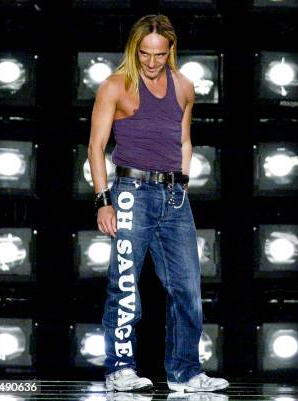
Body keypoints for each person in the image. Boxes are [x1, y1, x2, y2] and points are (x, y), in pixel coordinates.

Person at [88, 14, 229, 393]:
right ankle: (120, 369)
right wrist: (104, 201)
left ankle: (186, 372)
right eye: (145, 53)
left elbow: (184, 139)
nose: (152, 62)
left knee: (187, 287)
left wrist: (182, 181)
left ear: (171, 51)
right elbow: (96, 147)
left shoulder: (183, 85)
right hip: (132, 191)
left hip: (174, 195)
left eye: (160, 54)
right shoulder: (116, 86)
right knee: (125, 284)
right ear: (135, 49)